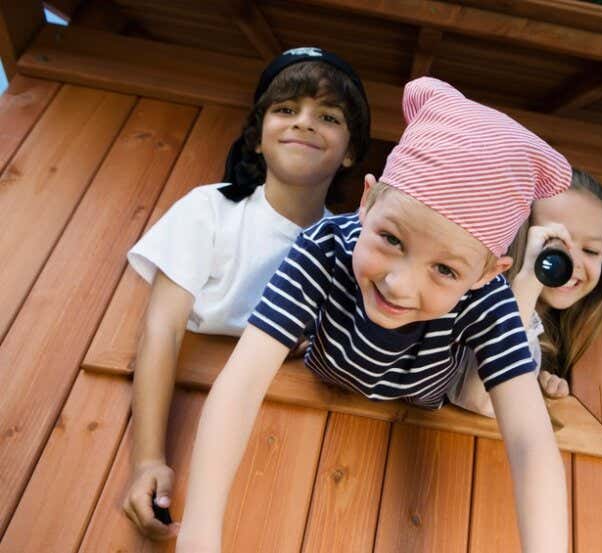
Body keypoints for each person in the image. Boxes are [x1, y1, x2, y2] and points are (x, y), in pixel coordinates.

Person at [175, 76, 573, 553]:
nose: (400, 283)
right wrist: (199, 535)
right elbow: (240, 385)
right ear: (366, 201)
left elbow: (530, 443)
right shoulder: (321, 248)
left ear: (489, 272)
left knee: (484, 393)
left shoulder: (489, 299)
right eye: (391, 239)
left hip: (429, 390)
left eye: (445, 269)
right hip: (331, 363)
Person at [121, 47, 371, 540]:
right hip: (188, 424)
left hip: (299, 458)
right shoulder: (210, 210)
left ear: (350, 152)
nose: (304, 123)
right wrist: (149, 458)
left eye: (328, 116)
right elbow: (163, 329)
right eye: (286, 109)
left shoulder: (350, 248)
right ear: (257, 138)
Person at [448, 169, 602, 417]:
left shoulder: (551, 338)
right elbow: (479, 399)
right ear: (520, 237)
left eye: (591, 250)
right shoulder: (473, 304)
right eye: (554, 241)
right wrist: (529, 280)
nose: (571, 261)